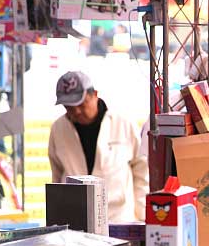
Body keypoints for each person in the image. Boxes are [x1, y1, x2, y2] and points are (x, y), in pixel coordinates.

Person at [48, 71, 148, 222]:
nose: (76, 112)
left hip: (118, 218)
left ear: (94, 94)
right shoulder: (58, 129)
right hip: (75, 219)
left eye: (81, 104)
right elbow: (56, 175)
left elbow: (141, 171)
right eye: (69, 107)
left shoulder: (123, 123)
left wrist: (142, 216)